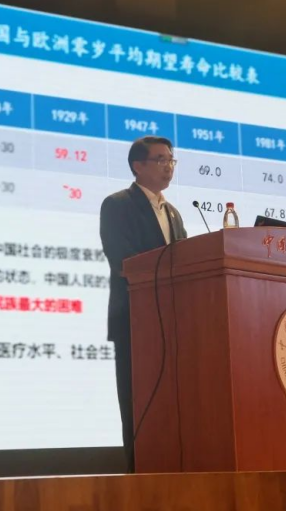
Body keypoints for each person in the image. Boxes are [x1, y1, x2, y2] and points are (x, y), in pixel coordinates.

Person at [99, 135, 187, 472]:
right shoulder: (118, 205)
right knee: (137, 404)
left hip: (173, 324)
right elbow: (122, 259)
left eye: (171, 160)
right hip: (135, 321)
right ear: (138, 166)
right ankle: (138, 475)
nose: (169, 167)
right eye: (161, 160)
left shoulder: (173, 213)